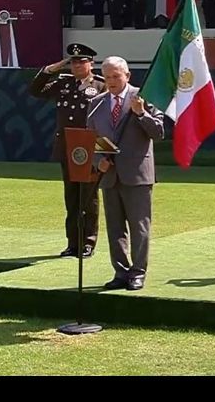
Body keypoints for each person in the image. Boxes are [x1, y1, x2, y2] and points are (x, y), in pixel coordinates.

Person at [86, 56, 164, 291]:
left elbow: (159, 132)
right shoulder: (97, 103)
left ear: (127, 76)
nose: (111, 81)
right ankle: (120, 271)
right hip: (109, 175)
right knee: (115, 226)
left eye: (116, 76)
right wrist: (98, 161)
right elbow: (91, 138)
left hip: (137, 173)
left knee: (139, 226)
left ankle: (138, 272)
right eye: (107, 77)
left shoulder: (143, 97)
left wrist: (141, 114)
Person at [29, 43, 106, 258]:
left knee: (88, 198)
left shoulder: (100, 85)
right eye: (72, 62)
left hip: (90, 147)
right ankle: (73, 243)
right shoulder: (64, 84)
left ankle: (88, 242)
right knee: (71, 198)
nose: (76, 65)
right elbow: (35, 91)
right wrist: (50, 70)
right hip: (67, 147)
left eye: (81, 61)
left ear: (91, 63)